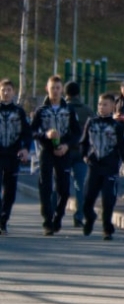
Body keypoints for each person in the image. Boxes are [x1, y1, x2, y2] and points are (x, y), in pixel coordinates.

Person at [79, 92, 124, 240]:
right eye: (100, 104)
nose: (101, 107)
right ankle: (90, 218)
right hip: (94, 166)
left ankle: (107, 229)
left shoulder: (117, 127)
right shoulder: (91, 123)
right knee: (87, 199)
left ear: (112, 107)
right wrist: (84, 155)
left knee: (108, 199)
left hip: (110, 168)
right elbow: (84, 143)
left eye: (105, 104)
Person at [32, 75, 81, 235]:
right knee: (45, 186)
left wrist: (67, 145)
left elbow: (77, 132)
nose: (55, 91)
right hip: (47, 151)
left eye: (58, 88)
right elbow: (33, 131)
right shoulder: (41, 111)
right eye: (52, 88)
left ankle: (58, 216)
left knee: (64, 189)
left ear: (62, 90)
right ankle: (47, 220)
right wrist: (46, 136)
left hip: (64, 152)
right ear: (47, 89)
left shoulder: (69, 110)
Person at [0, 79, 32, 236]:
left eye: (8, 90)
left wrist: (25, 148)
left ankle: (3, 220)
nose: (6, 93)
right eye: (3, 90)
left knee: (10, 190)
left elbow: (27, 133)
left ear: (13, 92)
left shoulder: (19, 112)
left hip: (13, 156)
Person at [64, 81, 92, 226]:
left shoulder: (63, 109)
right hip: (81, 152)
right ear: (78, 93)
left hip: (64, 151)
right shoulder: (86, 110)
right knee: (80, 185)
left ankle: (56, 214)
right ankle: (79, 217)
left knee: (60, 184)